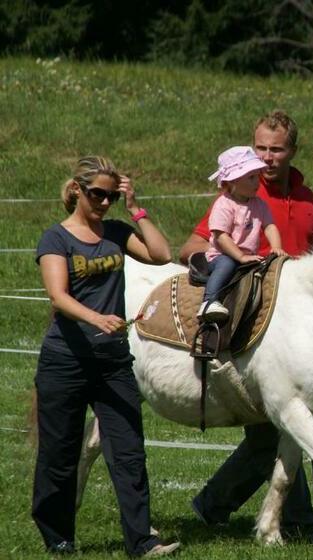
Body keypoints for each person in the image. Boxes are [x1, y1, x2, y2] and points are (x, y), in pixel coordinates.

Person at [180, 111, 313, 540]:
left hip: (301, 329)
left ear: (292, 151)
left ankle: (214, 504)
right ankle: (299, 520)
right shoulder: (241, 191)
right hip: (256, 326)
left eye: (276, 149)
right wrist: (213, 271)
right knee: (280, 425)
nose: (267, 157)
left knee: (274, 430)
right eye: (260, 147)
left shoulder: (306, 199)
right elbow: (195, 244)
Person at [33, 156, 180, 557]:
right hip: (66, 360)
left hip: (113, 361)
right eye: (97, 194)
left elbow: (162, 253)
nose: (103, 202)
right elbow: (58, 297)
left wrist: (136, 208)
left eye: (111, 196)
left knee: (128, 450)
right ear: (77, 190)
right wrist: (97, 317)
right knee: (60, 454)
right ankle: (58, 536)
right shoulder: (56, 239)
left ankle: (142, 541)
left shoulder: (116, 232)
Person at [198, 146, 288, 322]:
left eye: (257, 176)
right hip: (221, 255)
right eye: (251, 177)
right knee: (226, 264)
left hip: (248, 256)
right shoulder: (224, 204)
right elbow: (221, 236)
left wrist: (276, 247)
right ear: (232, 181)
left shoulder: (259, 204)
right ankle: (209, 301)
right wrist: (239, 256)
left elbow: (269, 226)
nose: (257, 182)